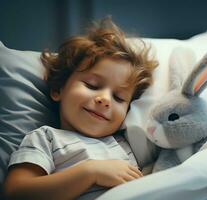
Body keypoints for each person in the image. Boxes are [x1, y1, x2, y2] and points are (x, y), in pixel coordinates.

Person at [3, 17, 158, 200]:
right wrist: (90, 172)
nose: (105, 100)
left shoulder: (125, 143)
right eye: (92, 85)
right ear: (58, 89)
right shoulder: (46, 137)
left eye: (118, 97)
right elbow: (15, 192)